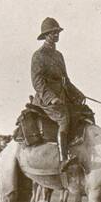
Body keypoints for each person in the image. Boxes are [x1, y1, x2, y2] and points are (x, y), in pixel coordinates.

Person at [30, 17, 88, 169]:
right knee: (64, 118)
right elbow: (37, 82)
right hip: (46, 100)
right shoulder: (38, 55)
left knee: (83, 113)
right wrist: (52, 98)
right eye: (52, 33)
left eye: (57, 32)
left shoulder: (59, 55)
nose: (56, 35)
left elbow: (65, 81)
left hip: (62, 97)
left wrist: (78, 94)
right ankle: (63, 158)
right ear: (45, 36)